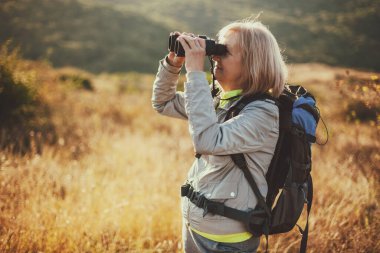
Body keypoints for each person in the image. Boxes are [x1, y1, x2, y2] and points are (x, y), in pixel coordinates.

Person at [152, 19, 287, 253]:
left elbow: (207, 140)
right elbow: (163, 103)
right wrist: (174, 64)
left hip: (227, 241)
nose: (214, 56)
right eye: (217, 49)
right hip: (195, 227)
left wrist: (195, 72)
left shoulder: (263, 113)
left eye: (224, 52)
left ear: (252, 62)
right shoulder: (219, 100)